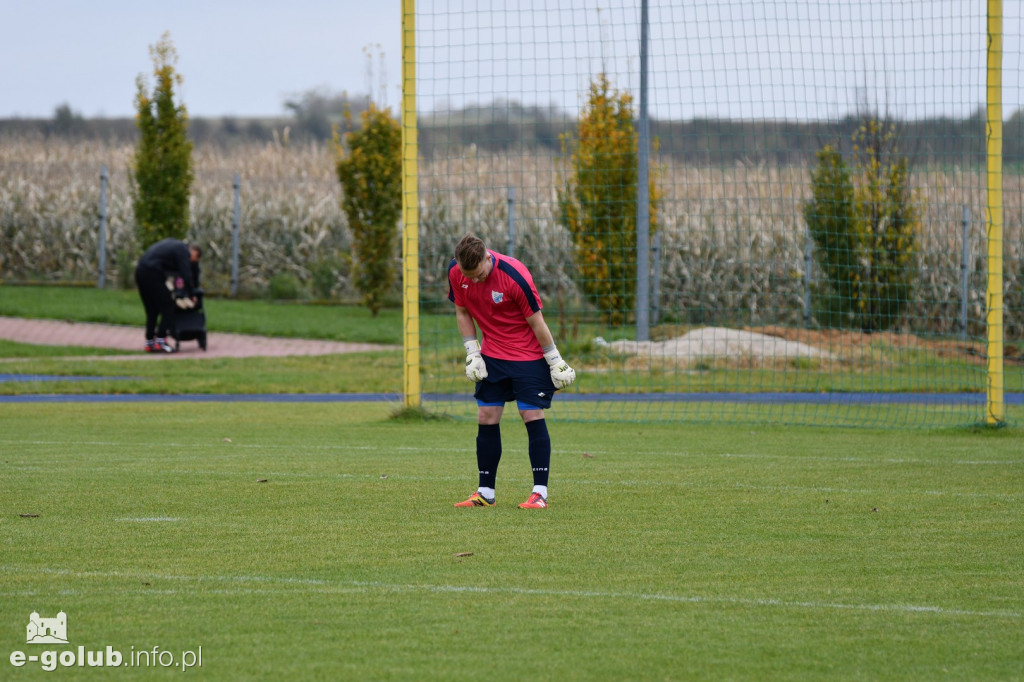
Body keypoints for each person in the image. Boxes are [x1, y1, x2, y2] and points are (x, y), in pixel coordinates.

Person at [447, 233, 576, 509]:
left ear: (487, 257)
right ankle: (485, 493)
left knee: (530, 414)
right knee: (486, 415)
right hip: (492, 355)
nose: (476, 280)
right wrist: (473, 351)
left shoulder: (515, 275)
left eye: (480, 274)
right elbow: (462, 311)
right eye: (470, 275)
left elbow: (536, 321)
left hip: (528, 355)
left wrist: (554, 359)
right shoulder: (456, 273)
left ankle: (539, 493)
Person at [134, 238, 201, 353]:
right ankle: (161, 342)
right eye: (193, 259)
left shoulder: (175, 246)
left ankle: (149, 343)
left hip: (140, 271)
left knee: (152, 309)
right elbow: (186, 274)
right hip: (152, 272)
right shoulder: (183, 251)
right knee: (169, 306)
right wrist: (192, 294)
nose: (191, 262)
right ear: (194, 252)